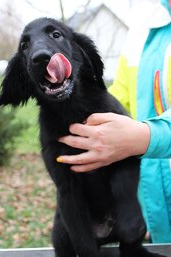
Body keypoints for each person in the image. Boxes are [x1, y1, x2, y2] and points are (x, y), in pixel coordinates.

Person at [56, 0, 171, 243]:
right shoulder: (144, 24)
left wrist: (146, 137)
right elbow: (118, 99)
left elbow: (138, 135)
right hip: (154, 218)